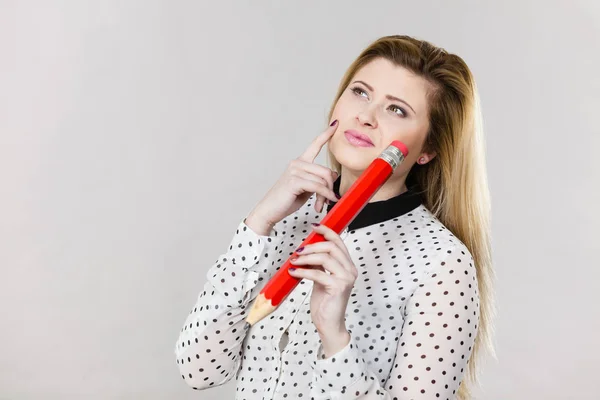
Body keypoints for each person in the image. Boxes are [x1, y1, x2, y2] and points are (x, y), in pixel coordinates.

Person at [174, 34, 495, 400]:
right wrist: (258, 223)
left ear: (428, 149)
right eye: (360, 92)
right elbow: (198, 367)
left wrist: (335, 337)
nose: (365, 116)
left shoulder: (442, 262)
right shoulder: (286, 223)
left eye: (397, 110)